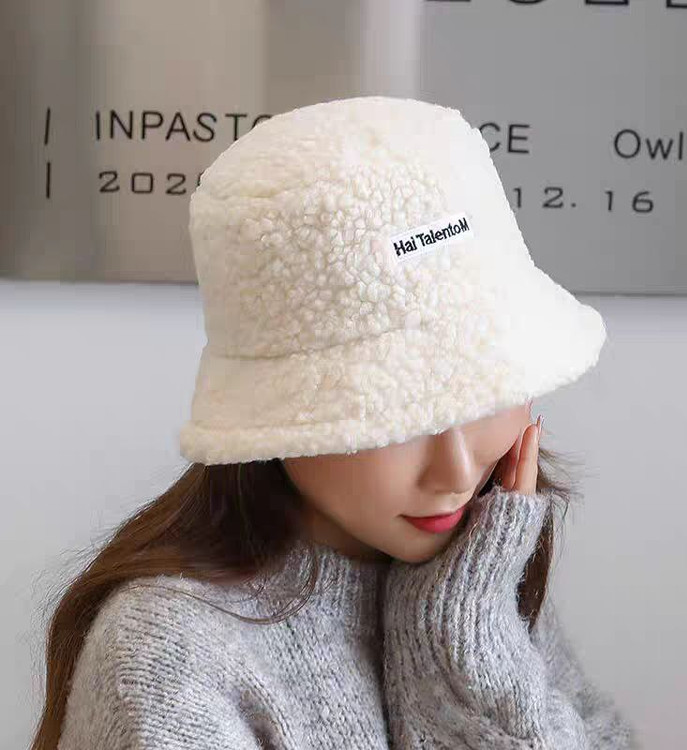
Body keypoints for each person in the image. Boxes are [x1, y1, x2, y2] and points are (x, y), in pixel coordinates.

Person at [33, 96, 641, 749]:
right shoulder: (171, 657)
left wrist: (470, 636)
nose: (458, 471)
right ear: (276, 412)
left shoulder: (478, 566)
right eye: (397, 413)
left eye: (486, 391)